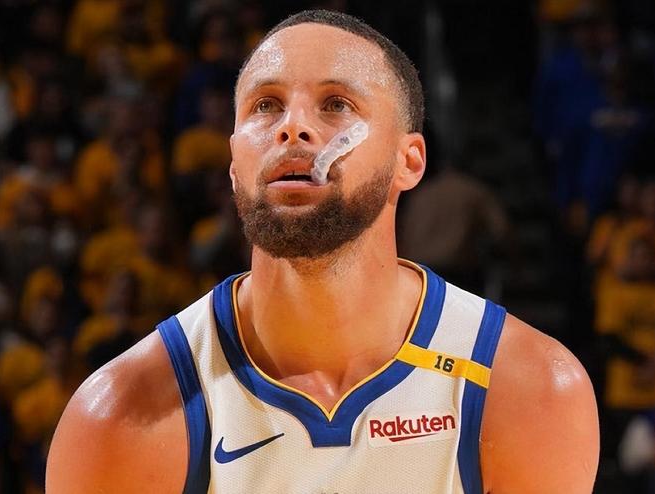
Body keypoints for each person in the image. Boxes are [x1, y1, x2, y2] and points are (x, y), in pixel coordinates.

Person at [46, 10, 599, 493]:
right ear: (234, 164)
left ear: (409, 161)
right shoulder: (122, 418)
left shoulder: (526, 392)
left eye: (336, 104)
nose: (293, 128)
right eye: (266, 105)